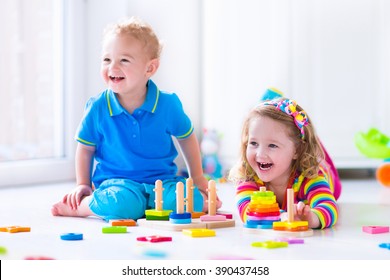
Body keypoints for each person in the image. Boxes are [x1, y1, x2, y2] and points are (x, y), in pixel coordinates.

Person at [51, 17, 221, 221]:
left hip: (163, 182)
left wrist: (198, 177)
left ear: (149, 68)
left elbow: (186, 137)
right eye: (107, 59)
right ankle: (83, 207)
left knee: (189, 201)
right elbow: (85, 148)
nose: (112, 67)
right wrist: (83, 184)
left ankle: (157, 203)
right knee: (122, 204)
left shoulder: (168, 104)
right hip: (117, 184)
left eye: (124, 60)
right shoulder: (97, 107)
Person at [229, 91, 341, 229]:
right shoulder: (249, 176)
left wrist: (312, 218)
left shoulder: (309, 176)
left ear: (297, 151)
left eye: (272, 145)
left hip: (323, 171)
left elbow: (329, 207)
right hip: (295, 152)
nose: (260, 154)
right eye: (253, 143)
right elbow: (248, 212)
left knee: (320, 160)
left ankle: (309, 139)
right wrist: (281, 216)